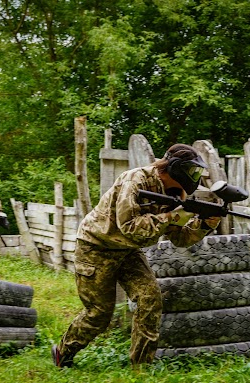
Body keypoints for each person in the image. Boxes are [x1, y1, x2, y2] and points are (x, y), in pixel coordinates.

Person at [51, 143, 221, 368]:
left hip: (128, 250)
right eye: (192, 172)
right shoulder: (135, 180)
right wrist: (169, 217)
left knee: (150, 299)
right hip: (96, 246)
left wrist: (205, 225)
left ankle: (141, 366)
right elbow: (129, 226)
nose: (195, 178)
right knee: (99, 313)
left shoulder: (174, 194)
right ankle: (63, 351)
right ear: (176, 168)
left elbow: (181, 239)